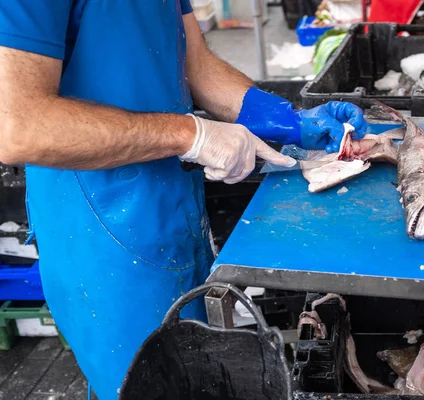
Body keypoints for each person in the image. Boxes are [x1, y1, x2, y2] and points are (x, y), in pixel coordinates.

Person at [0, 2, 366, 399]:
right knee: (144, 384)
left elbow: (195, 61)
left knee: (200, 375)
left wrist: (291, 121)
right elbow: (19, 126)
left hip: (175, 208)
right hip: (100, 235)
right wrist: (193, 136)